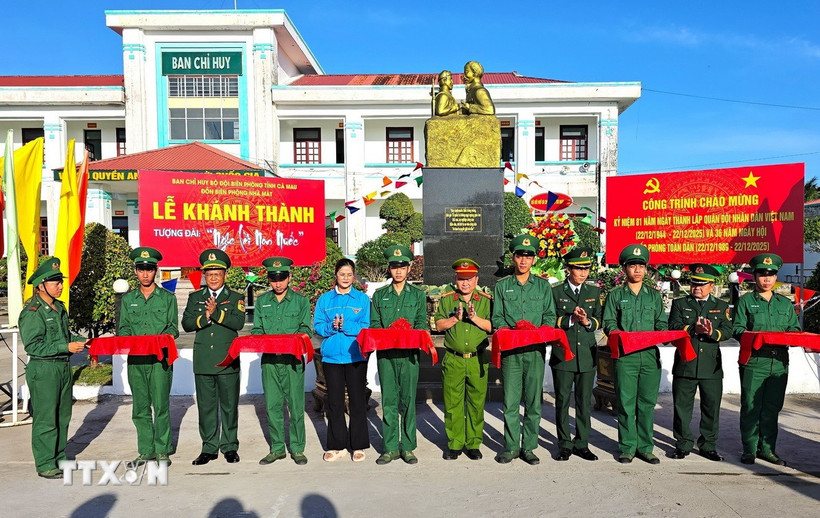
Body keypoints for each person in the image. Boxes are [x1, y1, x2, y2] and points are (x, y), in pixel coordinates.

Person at [18, 257, 87, 479]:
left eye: (60, 281)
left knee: (62, 415)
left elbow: (64, 335)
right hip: (44, 368)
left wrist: (79, 340)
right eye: (55, 282)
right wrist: (65, 346)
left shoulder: (59, 307)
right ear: (41, 285)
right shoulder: (32, 311)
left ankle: (59, 455)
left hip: (63, 367)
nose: (60, 285)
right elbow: (34, 345)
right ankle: (45, 462)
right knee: (46, 417)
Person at [492, 234, 556, 465]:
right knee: (510, 402)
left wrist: (536, 331)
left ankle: (529, 447)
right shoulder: (502, 287)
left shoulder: (542, 286)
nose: (523, 260)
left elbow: (549, 316)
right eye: (520, 255)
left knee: (533, 402)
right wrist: (512, 329)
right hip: (511, 352)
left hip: (534, 351)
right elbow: (497, 317)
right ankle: (510, 447)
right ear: (513, 257)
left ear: (534, 260)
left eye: (528, 256)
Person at [602, 244, 667, 464]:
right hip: (626, 356)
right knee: (626, 403)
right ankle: (628, 447)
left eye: (641, 265)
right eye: (632, 266)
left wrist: (660, 334)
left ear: (646, 269)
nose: (637, 270)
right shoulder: (616, 295)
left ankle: (646, 447)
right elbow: (609, 322)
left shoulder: (654, 297)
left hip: (649, 356)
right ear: (624, 268)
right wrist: (619, 334)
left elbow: (661, 323)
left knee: (647, 404)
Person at [733, 253, 799, 466]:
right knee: (751, 406)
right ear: (755, 276)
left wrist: (794, 338)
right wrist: (756, 338)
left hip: (779, 362)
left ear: (776, 276)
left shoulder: (784, 304)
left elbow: (795, 329)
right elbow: (737, 329)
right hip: (754, 361)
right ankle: (749, 449)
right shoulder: (745, 302)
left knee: (772, 407)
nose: (767, 279)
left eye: (771, 274)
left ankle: (768, 450)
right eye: (762, 274)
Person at [182, 249, 245, 466]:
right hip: (204, 360)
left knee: (229, 406)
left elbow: (237, 323)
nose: (214, 278)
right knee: (206, 407)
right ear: (204, 276)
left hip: (227, 359)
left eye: (218, 273)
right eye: (209, 274)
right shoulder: (195, 297)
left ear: (225, 274)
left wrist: (217, 313)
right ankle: (209, 447)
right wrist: (204, 318)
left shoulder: (235, 297)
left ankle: (229, 446)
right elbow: (187, 324)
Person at [118, 247, 179, 465]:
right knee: (140, 407)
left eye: (149, 269)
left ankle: (162, 450)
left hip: (160, 360)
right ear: (135, 271)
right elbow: (123, 328)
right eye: (141, 269)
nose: (145, 274)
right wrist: (128, 340)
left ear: (156, 271)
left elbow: (173, 328)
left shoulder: (167, 298)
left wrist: (161, 339)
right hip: (137, 360)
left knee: (161, 405)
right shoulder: (128, 300)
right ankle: (146, 450)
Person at [370, 244, 428, 465]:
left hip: (409, 355)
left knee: (408, 400)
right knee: (390, 400)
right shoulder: (380, 295)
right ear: (389, 268)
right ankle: (390, 447)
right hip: (387, 354)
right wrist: (390, 332)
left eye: (402, 266)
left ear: (409, 267)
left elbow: (422, 323)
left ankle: (408, 447)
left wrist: (408, 332)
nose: (398, 271)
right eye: (394, 267)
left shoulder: (417, 295)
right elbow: (375, 324)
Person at [252, 256, 312, 466]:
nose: (278, 283)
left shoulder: (301, 301)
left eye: (282, 278)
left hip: (292, 361)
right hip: (270, 361)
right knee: (273, 406)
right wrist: (265, 339)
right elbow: (257, 329)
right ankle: (277, 448)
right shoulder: (262, 301)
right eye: (273, 278)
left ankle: (297, 448)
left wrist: (290, 341)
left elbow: (306, 329)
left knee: (296, 406)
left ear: (289, 277)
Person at [668, 264, 732, 462]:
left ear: (711, 286)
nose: (697, 287)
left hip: (710, 367)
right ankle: (683, 444)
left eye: (702, 284)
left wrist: (712, 333)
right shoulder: (680, 303)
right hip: (686, 364)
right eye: (694, 283)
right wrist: (693, 329)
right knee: (681, 407)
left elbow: (728, 331)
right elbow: (673, 328)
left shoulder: (721, 306)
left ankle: (708, 445)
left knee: (711, 408)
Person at [434, 258, 492, 461]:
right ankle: (455, 443)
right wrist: (455, 319)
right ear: (455, 279)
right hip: (454, 359)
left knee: (476, 403)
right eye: (461, 279)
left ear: (477, 279)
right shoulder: (448, 299)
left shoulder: (485, 300)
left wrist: (474, 318)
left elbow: (492, 326)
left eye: (469, 279)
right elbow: (438, 325)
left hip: (477, 360)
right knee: (453, 403)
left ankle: (474, 443)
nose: (465, 283)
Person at [314, 258, 371, 463]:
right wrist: (330, 327)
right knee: (335, 403)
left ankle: (358, 445)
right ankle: (337, 445)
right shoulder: (325, 299)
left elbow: (366, 327)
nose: (345, 278)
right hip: (331, 358)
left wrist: (346, 326)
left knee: (357, 402)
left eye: (349, 274)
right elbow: (318, 326)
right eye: (341, 274)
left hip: (355, 356)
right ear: (336, 276)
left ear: (353, 277)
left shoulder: (362, 300)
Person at [551, 247, 602, 461]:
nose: (583, 273)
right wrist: (570, 319)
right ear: (568, 269)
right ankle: (564, 443)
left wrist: (587, 321)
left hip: (587, 355)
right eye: (578, 269)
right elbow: (549, 320)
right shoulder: (555, 292)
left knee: (584, 401)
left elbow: (600, 320)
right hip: (564, 354)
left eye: (586, 269)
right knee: (562, 400)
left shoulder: (594, 292)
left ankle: (582, 443)